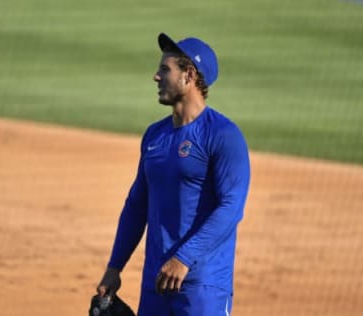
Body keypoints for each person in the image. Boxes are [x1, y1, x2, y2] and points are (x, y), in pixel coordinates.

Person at [96, 33, 251, 316]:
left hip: (201, 285)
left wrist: (184, 258)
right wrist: (114, 268)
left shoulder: (223, 136)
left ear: (189, 75)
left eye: (165, 69)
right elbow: (136, 206)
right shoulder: (155, 135)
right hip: (156, 282)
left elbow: (231, 207)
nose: (156, 77)